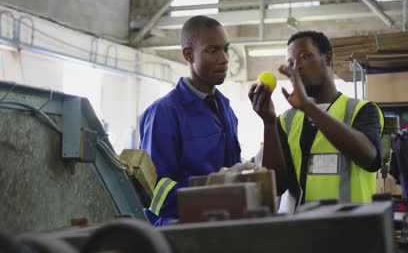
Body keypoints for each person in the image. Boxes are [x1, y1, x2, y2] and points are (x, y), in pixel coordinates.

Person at [249, 31, 384, 206]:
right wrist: (268, 123)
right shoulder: (285, 121)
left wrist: (309, 108)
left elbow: (369, 158)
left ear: (328, 59)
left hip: (351, 229)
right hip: (305, 231)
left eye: (304, 57)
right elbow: (277, 186)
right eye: (290, 63)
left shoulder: (362, 110)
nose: (296, 67)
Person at [139, 15, 241, 226]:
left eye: (226, 49)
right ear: (188, 55)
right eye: (212, 50)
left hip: (221, 226)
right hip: (178, 232)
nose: (224, 59)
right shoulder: (164, 113)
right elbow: (154, 192)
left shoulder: (226, 110)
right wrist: (211, 194)